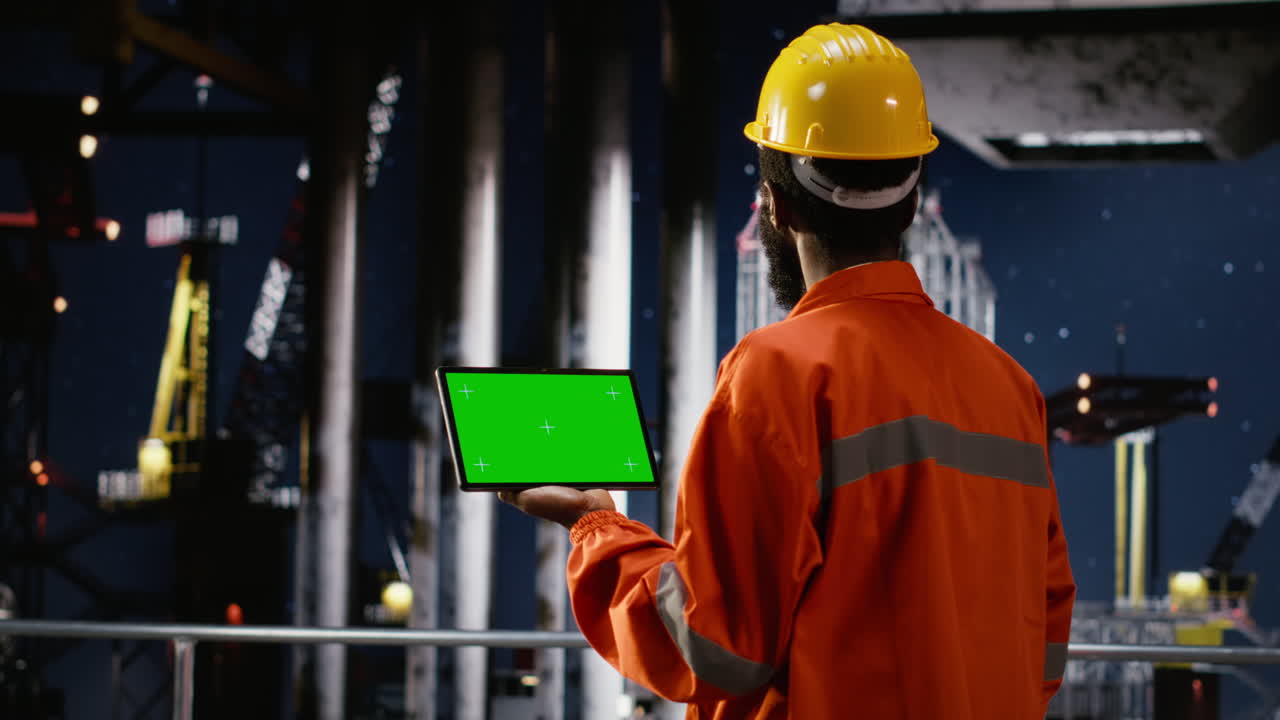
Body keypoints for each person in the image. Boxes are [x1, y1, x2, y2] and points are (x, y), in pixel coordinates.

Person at [501, 22, 1075, 719]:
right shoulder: (1007, 385)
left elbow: (717, 650)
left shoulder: (777, 371)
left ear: (775, 203)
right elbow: (1041, 646)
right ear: (912, 199)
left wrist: (597, 527)